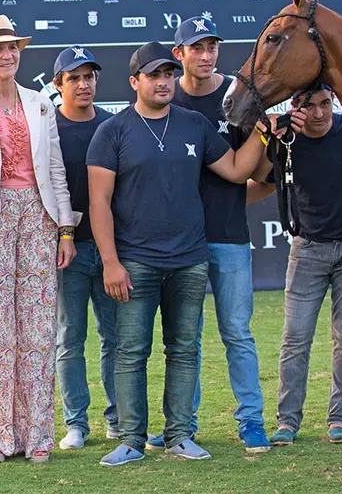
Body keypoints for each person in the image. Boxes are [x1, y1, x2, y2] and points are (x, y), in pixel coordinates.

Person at [87, 42, 270, 466]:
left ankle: (180, 435)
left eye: (169, 74)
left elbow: (238, 170)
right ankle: (131, 440)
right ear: (135, 81)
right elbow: (99, 203)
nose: (164, 81)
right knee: (131, 351)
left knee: (184, 349)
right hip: (134, 261)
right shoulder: (112, 131)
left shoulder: (193, 124)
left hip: (189, 258)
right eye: (154, 75)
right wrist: (111, 262)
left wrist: (262, 132)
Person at [0, 15, 76, 464]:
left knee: (40, 330)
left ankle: (38, 434)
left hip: (40, 220)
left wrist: (65, 228)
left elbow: (57, 170)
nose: (7, 55)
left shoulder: (41, 103)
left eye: (12, 47)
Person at [149, 15, 271, 453]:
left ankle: (252, 422)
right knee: (187, 339)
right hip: (182, 242)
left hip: (229, 236)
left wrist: (236, 199)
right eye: (196, 47)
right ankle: (183, 426)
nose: (206, 55)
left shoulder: (235, 97)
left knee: (237, 332)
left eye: (212, 46)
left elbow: (260, 173)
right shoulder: (165, 97)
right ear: (178, 54)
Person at [248, 86, 342, 446]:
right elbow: (259, 176)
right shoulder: (286, 140)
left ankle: (339, 419)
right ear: (295, 106)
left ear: (334, 102)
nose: (319, 113)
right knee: (295, 339)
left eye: (325, 104)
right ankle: (287, 422)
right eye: (310, 105)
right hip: (308, 249)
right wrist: (270, 135)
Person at [50, 45, 118, 450]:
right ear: (58, 84)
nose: (83, 83)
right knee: (69, 338)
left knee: (115, 338)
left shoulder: (113, 125)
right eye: (74, 77)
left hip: (111, 250)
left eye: (89, 76)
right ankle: (76, 423)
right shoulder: (48, 130)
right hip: (68, 251)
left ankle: (117, 417)